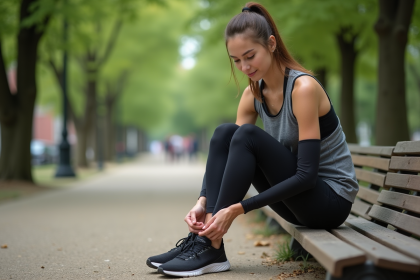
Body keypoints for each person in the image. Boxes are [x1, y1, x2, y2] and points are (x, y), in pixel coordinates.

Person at [146, 2, 358, 277]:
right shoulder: (252, 95)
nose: (244, 67)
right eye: (236, 60)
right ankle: (206, 241)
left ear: (271, 44)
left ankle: (208, 245)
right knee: (226, 132)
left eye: (249, 56)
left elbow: (307, 175)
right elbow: (227, 151)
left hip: (330, 202)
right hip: (298, 202)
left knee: (246, 134)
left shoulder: (303, 88)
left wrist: (238, 208)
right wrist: (202, 201)